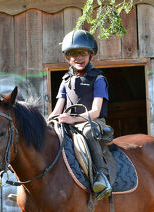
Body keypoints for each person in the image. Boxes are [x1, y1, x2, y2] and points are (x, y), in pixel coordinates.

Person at [49, 29, 112, 200]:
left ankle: (101, 176)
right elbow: (57, 109)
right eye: (73, 54)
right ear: (67, 58)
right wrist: (48, 121)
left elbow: (96, 111)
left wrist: (73, 119)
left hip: (92, 121)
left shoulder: (98, 79)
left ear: (91, 55)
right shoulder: (65, 81)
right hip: (69, 121)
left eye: (83, 53)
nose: (78, 58)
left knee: (88, 133)